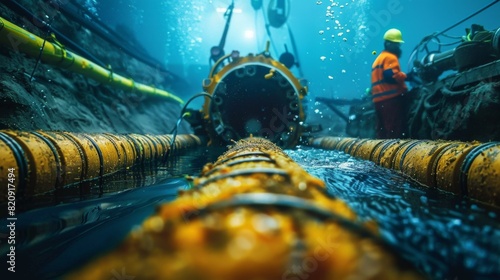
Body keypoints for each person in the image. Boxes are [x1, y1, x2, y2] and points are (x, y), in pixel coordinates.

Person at [371, 28, 408, 139]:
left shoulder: (378, 59)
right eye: (395, 44)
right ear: (387, 44)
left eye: (398, 44)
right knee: (394, 130)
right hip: (390, 100)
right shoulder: (390, 57)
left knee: (382, 131)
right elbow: (390, 76)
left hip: (378, 101)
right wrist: (406, 76)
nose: (398, 47)